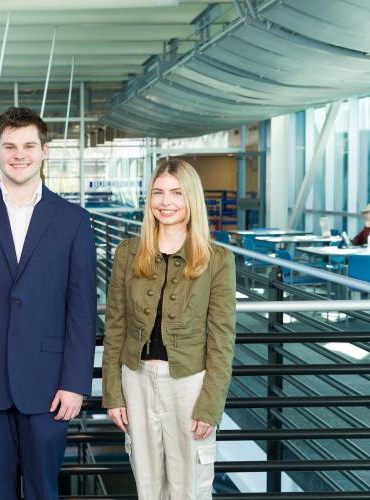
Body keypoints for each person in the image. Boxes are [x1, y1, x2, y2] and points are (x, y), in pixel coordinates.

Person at [0, 107, 97, 500]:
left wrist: (75, 383)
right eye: (9, 145)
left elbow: (82, 312)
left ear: (45, 151)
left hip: (49, 388)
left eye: (28, 145)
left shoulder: (74, 220)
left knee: (45, 490)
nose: (19, 154)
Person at [102, 158, 236, 500]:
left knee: (191, 485)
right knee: (147, 485)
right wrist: (114, 394)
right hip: (136, 379)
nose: (166, 202)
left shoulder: (217, 259)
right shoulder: (128, 253)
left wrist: (210, 404)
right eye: (158, 192)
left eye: (176, 193)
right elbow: (115, 327)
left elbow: (222, 338)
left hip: (189, 384)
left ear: (191, 198)